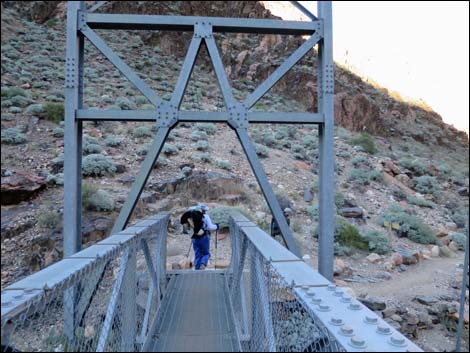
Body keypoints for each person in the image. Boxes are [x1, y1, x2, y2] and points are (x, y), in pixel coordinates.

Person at [181, 203, 218, 270]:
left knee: (197, 254)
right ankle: (203, 264)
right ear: (204, 210)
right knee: (206, 254)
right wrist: (217, 226)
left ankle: (197, 269)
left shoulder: (192, 217)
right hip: (204, 237)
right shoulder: (205, 217)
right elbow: (210, 227)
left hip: (194, 238)